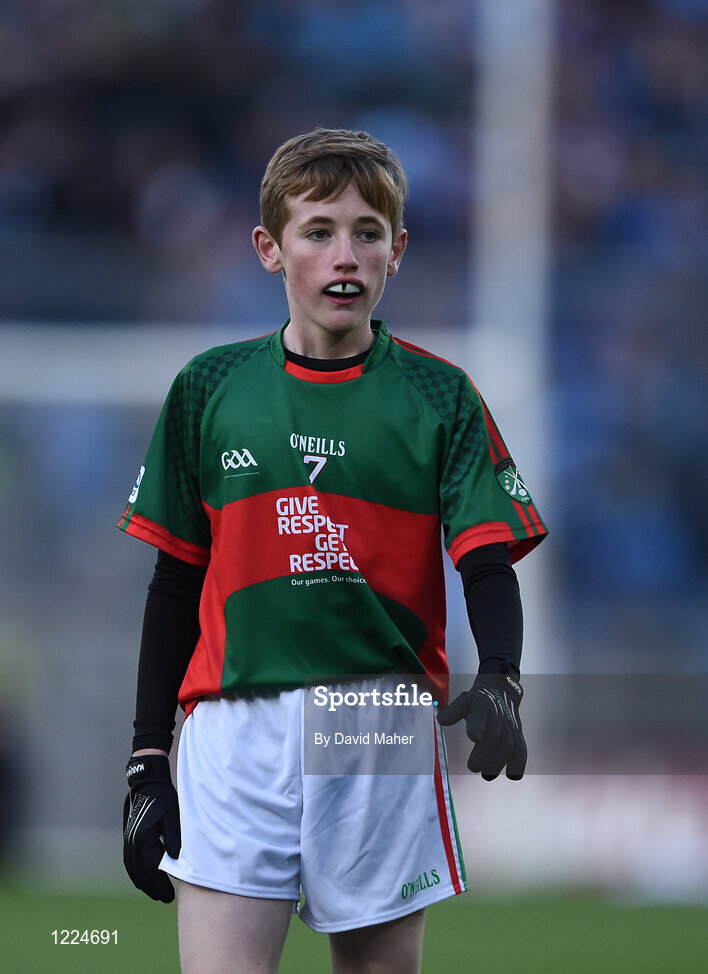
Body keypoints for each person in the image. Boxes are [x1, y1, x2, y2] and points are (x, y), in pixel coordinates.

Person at [119, 127, 548, 974]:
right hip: (233, 728)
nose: (343, 254)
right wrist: (145, 759)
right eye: (318, 231)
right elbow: (176, 581)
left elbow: (485, 563)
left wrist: (499, 673)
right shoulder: (208, 387)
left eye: (367, 232)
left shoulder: (440, 396)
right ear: (270, 250)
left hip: (375, 721)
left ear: (398, 249)